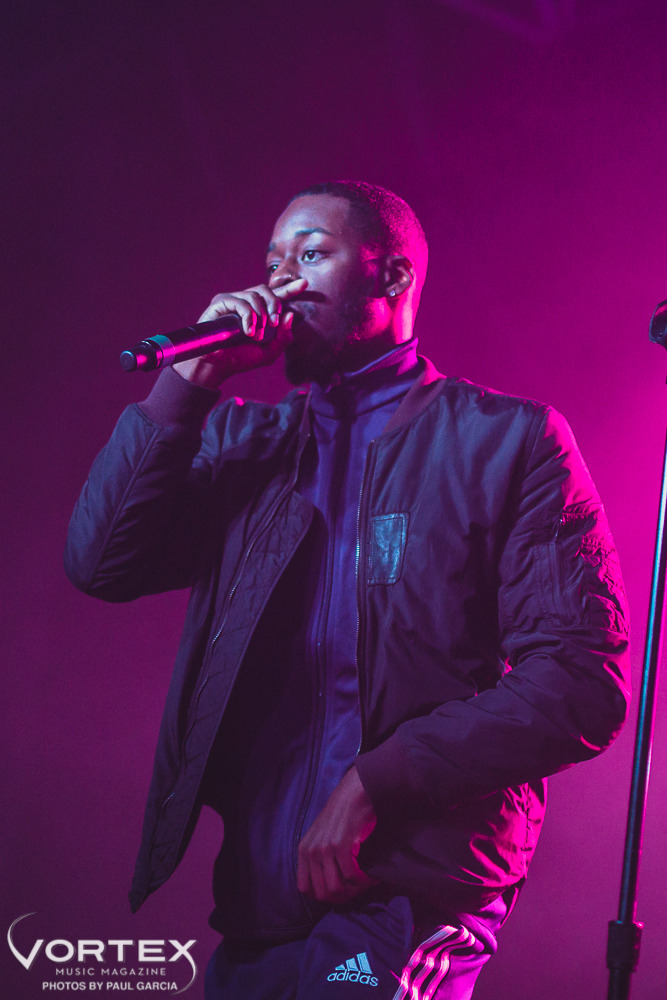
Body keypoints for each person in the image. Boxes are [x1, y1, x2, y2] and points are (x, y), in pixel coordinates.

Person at [65, 181, 631, 999]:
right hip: (260, 897)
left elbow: (582, 683)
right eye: (270, 262)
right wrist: (187, 385)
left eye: (310, 254)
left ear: (391, 279)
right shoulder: (243, 441)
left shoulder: (505, 440)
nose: (280, 283)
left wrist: (378, 778)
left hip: (407, 892)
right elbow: (101, 561)